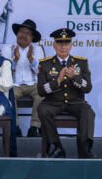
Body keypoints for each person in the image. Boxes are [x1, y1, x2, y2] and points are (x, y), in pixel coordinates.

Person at [37, 28, 95, 159]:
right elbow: (41, 91)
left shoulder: (81, 62)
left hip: (75, 102)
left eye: (66, 43)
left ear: (71, 45)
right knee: (42, 109)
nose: (63, 47)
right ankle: (57, 147)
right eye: (59, 43)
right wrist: (57, 80)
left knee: (88, 111)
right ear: (54, 45)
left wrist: (75, 77)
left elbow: (88, 88)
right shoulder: (45, 64)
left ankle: (84, 148)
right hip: (54, 102)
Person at [9, 18, 46, 137]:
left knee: (42, 93)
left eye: (27, 34)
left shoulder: (38, 49)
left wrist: (31, 59)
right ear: (17, 33)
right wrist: (15, 60)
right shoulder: (7, 48)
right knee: (9, 94)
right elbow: (5, 72)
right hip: (15, 84)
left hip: (33, 84)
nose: (23, 35)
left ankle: (34, 127)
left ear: (32, 38)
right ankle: (15, 127)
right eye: (21, 32)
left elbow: (41, 72)